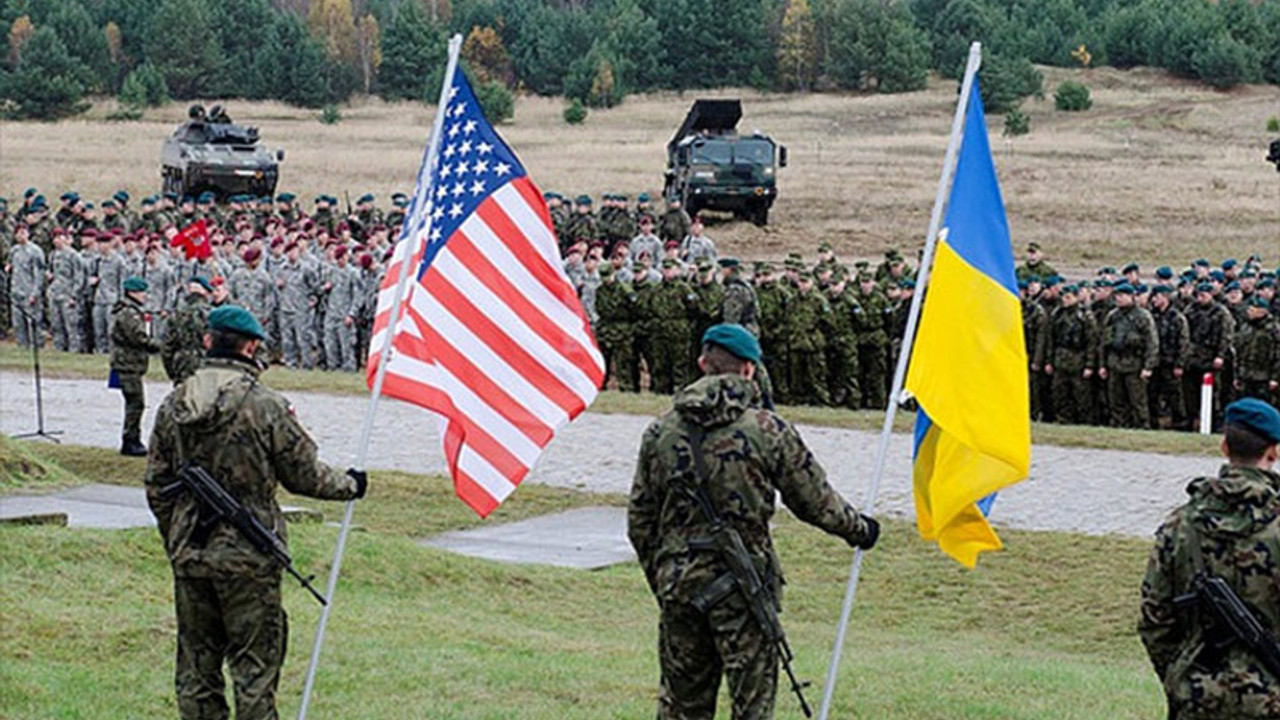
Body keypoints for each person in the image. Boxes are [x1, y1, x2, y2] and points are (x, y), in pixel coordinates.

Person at [628, 323, 879, 720]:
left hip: (679, 585)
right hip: (742, 588)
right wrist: (861, 529)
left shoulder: (660, 431)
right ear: (749, 370)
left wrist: (664, 576)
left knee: (682, 706)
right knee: (752, 708)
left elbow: (640, 521)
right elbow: (816, 502)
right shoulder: (767, 431)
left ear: (701, 364)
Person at [144, 305, 367, 720]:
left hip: (191, 553)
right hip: (250, 557)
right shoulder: (265, 406)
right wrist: (351, 485)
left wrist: (176, 535)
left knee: (197, 665)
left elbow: (157, 483)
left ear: (208, 341)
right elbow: (305, 476)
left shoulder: (175, 403)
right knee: (255, 670)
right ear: (251, 347)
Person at [1139, 398, 1280, 718]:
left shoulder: (1180, 525)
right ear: (1274, 451)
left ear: (1224, 446)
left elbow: (1154, 620)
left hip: (1197, 699)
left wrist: (1182, 677)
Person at [111, 276, 162, 456]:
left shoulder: (129, 310)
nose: (144, 296)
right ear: (132, 293)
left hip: (129, 362)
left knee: (135, 403)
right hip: (128, 364)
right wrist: (160, 346)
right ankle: (130, 441)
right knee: (135, 403)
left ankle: (132, 439)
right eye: (142, 292)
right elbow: (138, 338)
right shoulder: (128, 313)